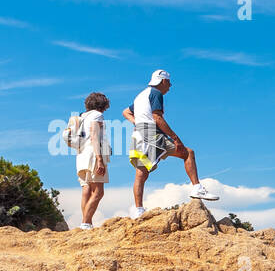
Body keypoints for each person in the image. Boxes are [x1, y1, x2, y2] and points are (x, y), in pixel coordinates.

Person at [122, 69, 217, 219]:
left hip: (138, 135)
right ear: (163, 81)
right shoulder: (156, 94)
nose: (170, 85)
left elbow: (126, 112)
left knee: (141, 172)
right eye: (169, 82)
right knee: (188, 153)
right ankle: (197, 188)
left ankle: (138, 209)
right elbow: (157, 117)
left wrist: (137, 122)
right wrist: (175, 138)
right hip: (152, 135)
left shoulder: (141, 95)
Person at [75, 92, 110, 229]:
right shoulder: (97, 115)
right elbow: (95, 136)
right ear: (103, 104)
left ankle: (86, 223)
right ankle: (86, 223)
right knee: (98, 192)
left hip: (81, 156)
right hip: (92, 155)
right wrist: (99, 159)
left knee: (87, 189)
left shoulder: (82, 117)